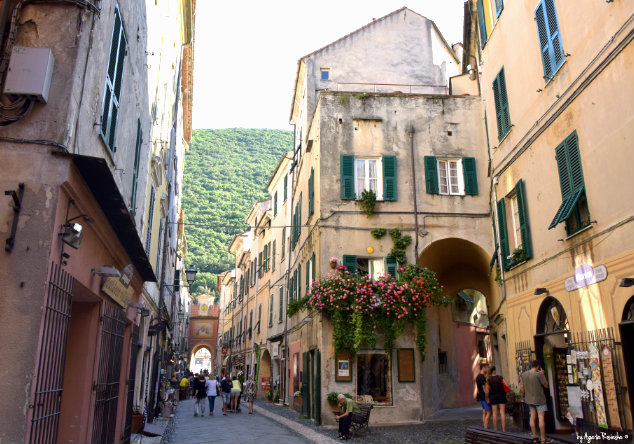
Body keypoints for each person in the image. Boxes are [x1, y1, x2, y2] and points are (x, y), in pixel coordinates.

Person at [521, 360, 551, 444]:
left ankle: (534, 436)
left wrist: (524, 394)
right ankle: (543, 438)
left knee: (532, 417)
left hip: (529, 399)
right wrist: (543, 374)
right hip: (539, 399)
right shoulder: (538, 374)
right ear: (538, 367)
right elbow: (546, 385)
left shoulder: (524, 374)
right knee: (541, 418)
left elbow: (522, 387)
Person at [485, 365, 507, 432]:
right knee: (502, 413)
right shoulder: (500, 377)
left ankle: (495, 429)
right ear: (494, 370)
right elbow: (507, 385)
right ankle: (504, 430)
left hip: (493, 396)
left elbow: (487, 391)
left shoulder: (488, 379)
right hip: (501, 395)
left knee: (494, 414)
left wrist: (487, 398)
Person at [475, 364, 491, 428]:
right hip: (484, 396)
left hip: (481, 396)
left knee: (484, 411)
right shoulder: (482, 377)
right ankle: (485, 427)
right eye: (486, 368)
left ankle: (485, 425)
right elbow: (484, 387)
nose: (486, 369)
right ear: (483, 368)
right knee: (489, 412)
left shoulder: (477, 377)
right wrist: (487, 397)